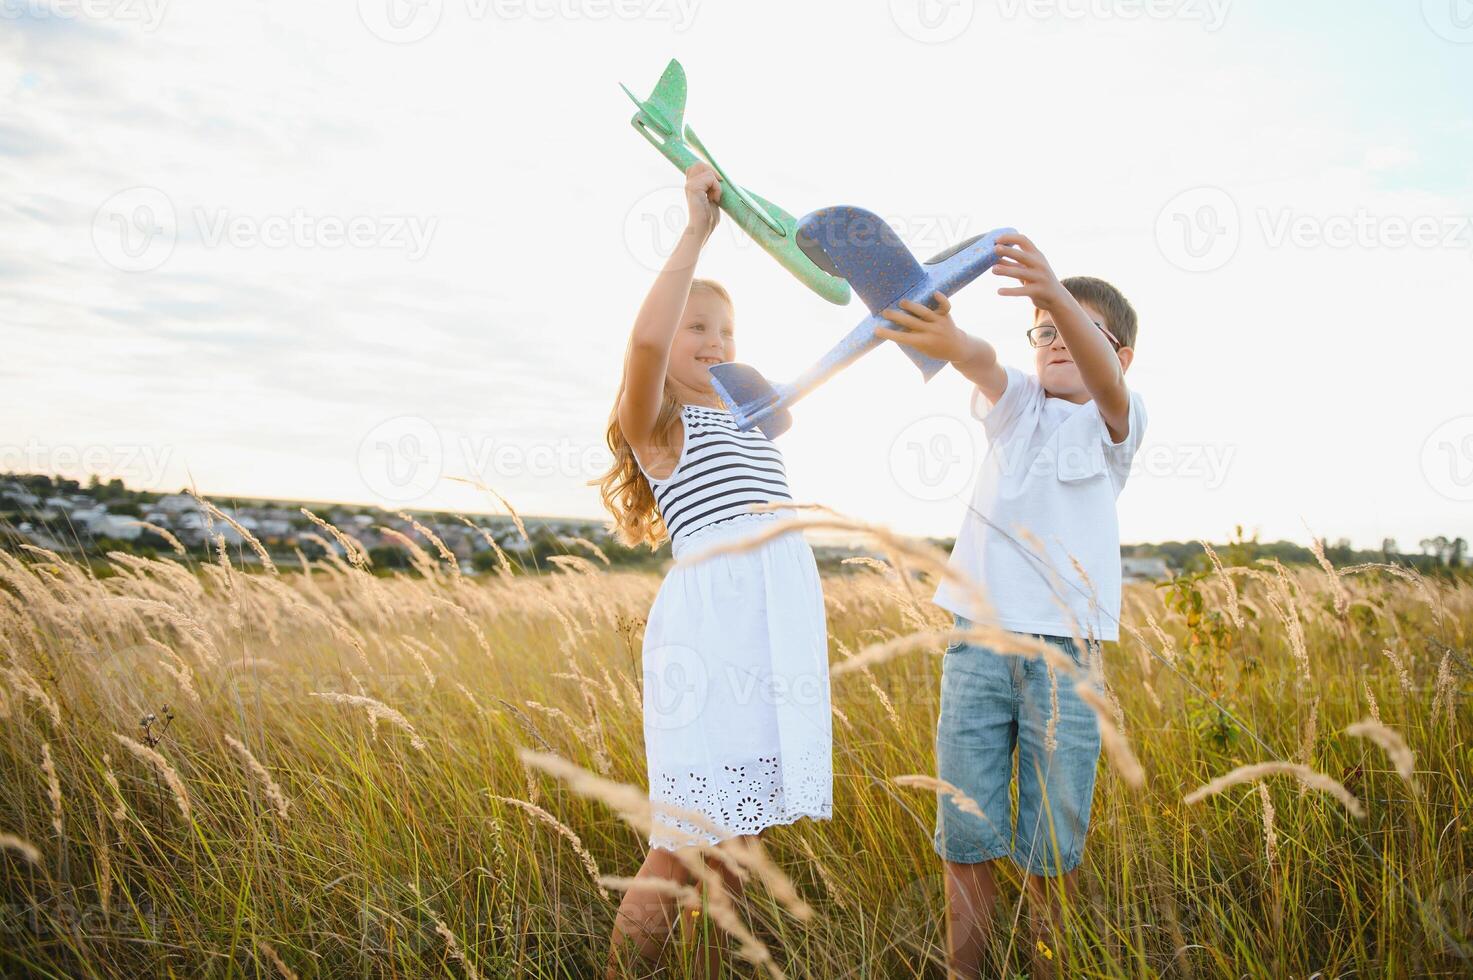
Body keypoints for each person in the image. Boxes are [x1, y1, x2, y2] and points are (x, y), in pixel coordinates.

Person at [875, 235, 1147, 978]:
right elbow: (981, 361)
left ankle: (1045, 968)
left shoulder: (1113, 423)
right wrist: (949, 335)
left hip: (1066, 654)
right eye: (1046, 333)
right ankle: (965, 970)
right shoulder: (1020, 406)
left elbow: (1108, 393)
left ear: (1117, 355)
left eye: (1079, 334)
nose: (1057, 342)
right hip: (978, 643)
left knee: (1049, 843)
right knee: (965, 830)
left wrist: (1055, 292)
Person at [596, 161, 833, 977]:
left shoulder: (742, 423)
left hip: (772, 633)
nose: (715, 344)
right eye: (698, 330)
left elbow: (800, 395)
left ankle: (703, 966)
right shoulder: (657, 427)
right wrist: (694, 233)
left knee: (740, 834)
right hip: (713, 632)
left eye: (726, 332)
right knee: (684, 838)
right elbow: (645, 341)